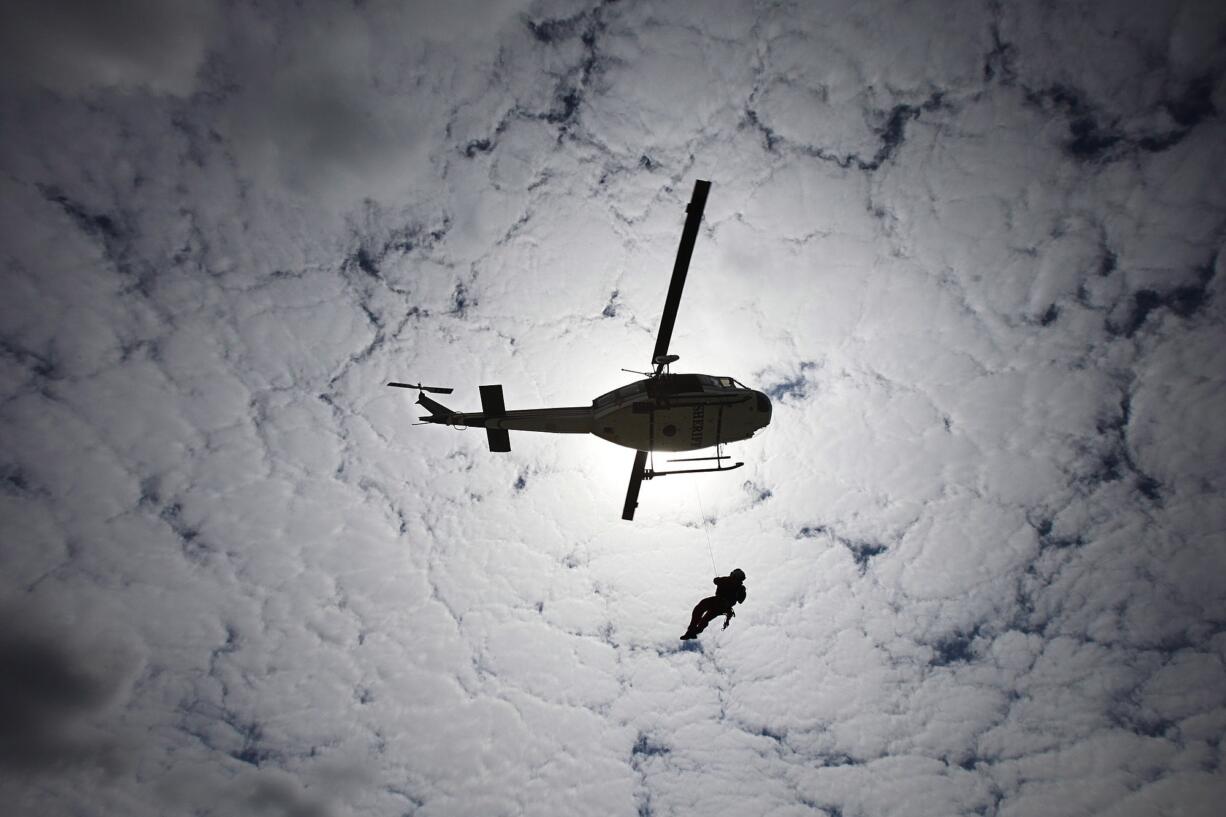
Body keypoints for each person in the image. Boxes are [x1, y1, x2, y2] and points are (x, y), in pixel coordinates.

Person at [680, 569, 746, 640]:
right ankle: (694, 631)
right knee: (705, 618)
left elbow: (716, 581)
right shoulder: (740, 587)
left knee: (700, 607)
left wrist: (718, 580)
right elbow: (740, 600)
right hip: (723, 608)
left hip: (719, 602)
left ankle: (692, 630)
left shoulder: (729, 581)